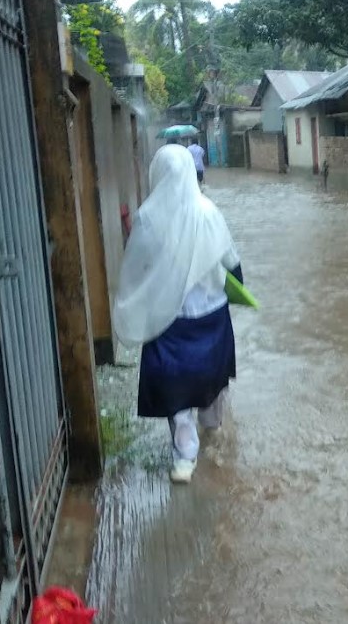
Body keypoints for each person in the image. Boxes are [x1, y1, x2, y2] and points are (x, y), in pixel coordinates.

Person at [113, 144, 242, 483]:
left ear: (155, 173)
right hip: (213, 318)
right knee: (212, 381)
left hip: (170, 322)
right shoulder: (209, 211)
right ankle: (214, 433)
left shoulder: (147, 218)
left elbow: (137, 273)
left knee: (176, 391)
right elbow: (233, 265)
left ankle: (185, 457)